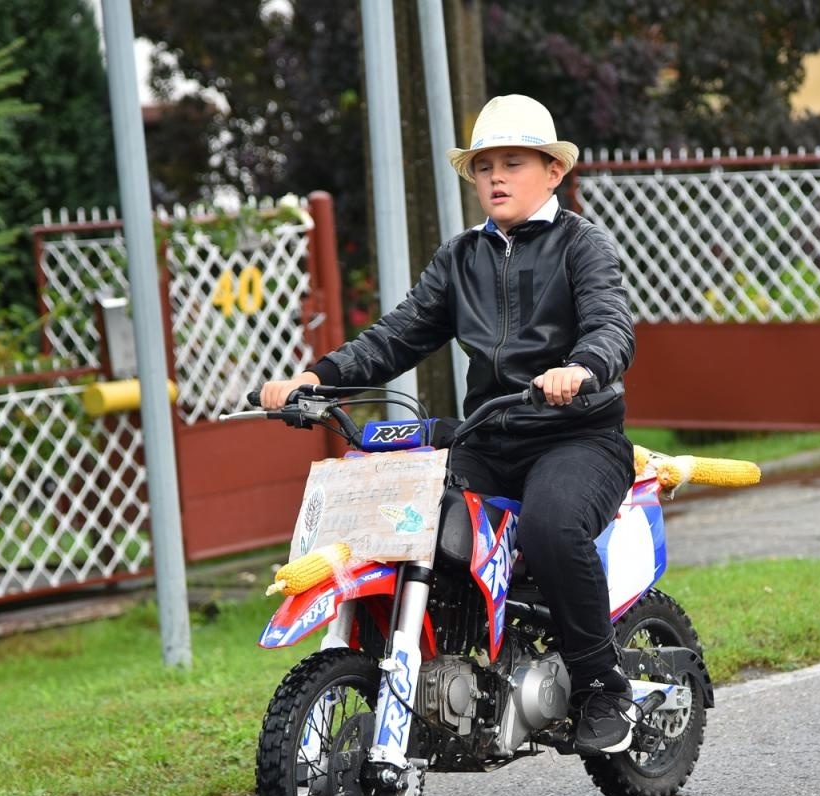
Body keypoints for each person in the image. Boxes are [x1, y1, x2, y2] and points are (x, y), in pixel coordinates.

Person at [258, 94, 638, 756]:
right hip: (488, 438)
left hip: (575, 436)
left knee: (552, 527)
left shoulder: (584, 245)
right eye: (484, 165)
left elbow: (611, 323)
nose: (495, 177)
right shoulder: (461, 257)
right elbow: (399, 335)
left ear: (553, 171)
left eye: (512, 163)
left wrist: (580, 366)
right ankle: (415, 672)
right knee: (403, 521)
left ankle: (602, 688)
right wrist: (315, 380)